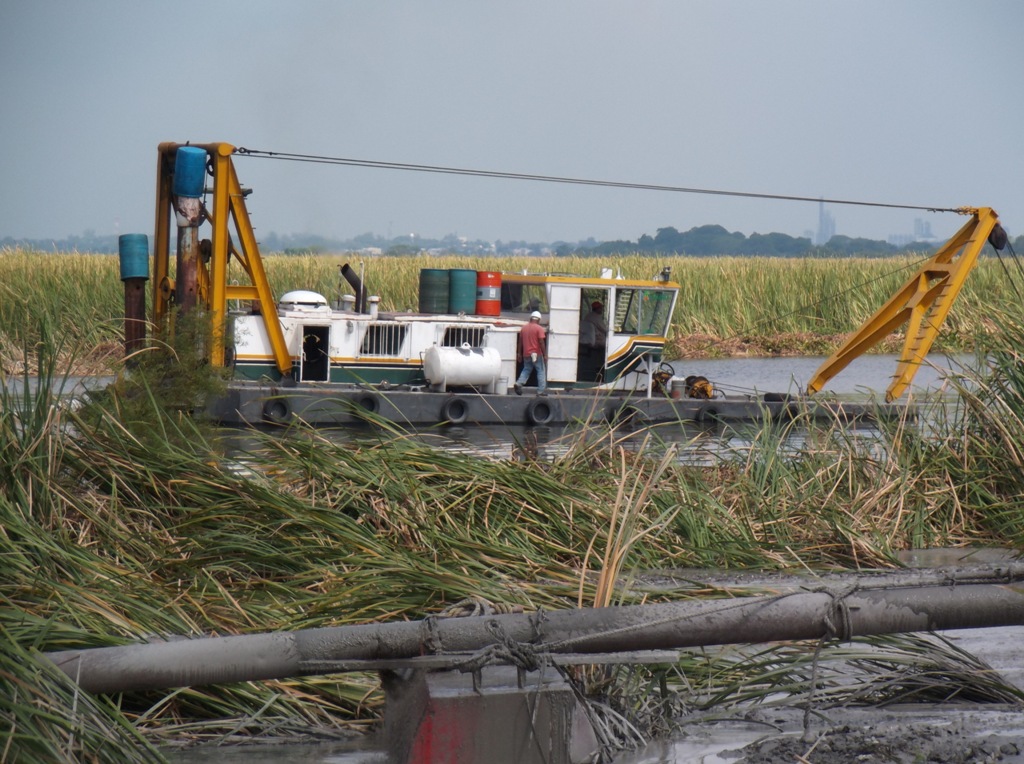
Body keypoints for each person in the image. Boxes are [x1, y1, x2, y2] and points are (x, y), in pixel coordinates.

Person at [514, 310, 547, 395]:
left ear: (530, 318)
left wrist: (519, 353)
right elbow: (541, 342)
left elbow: (520, 342)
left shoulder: (524, 328)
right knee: (540, 371)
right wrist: (545, 354)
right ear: (538, 319)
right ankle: (541, 391)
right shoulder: (539, 328)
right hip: (536, 354)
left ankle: (519, 383)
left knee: (526, 369)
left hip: (526, 354)